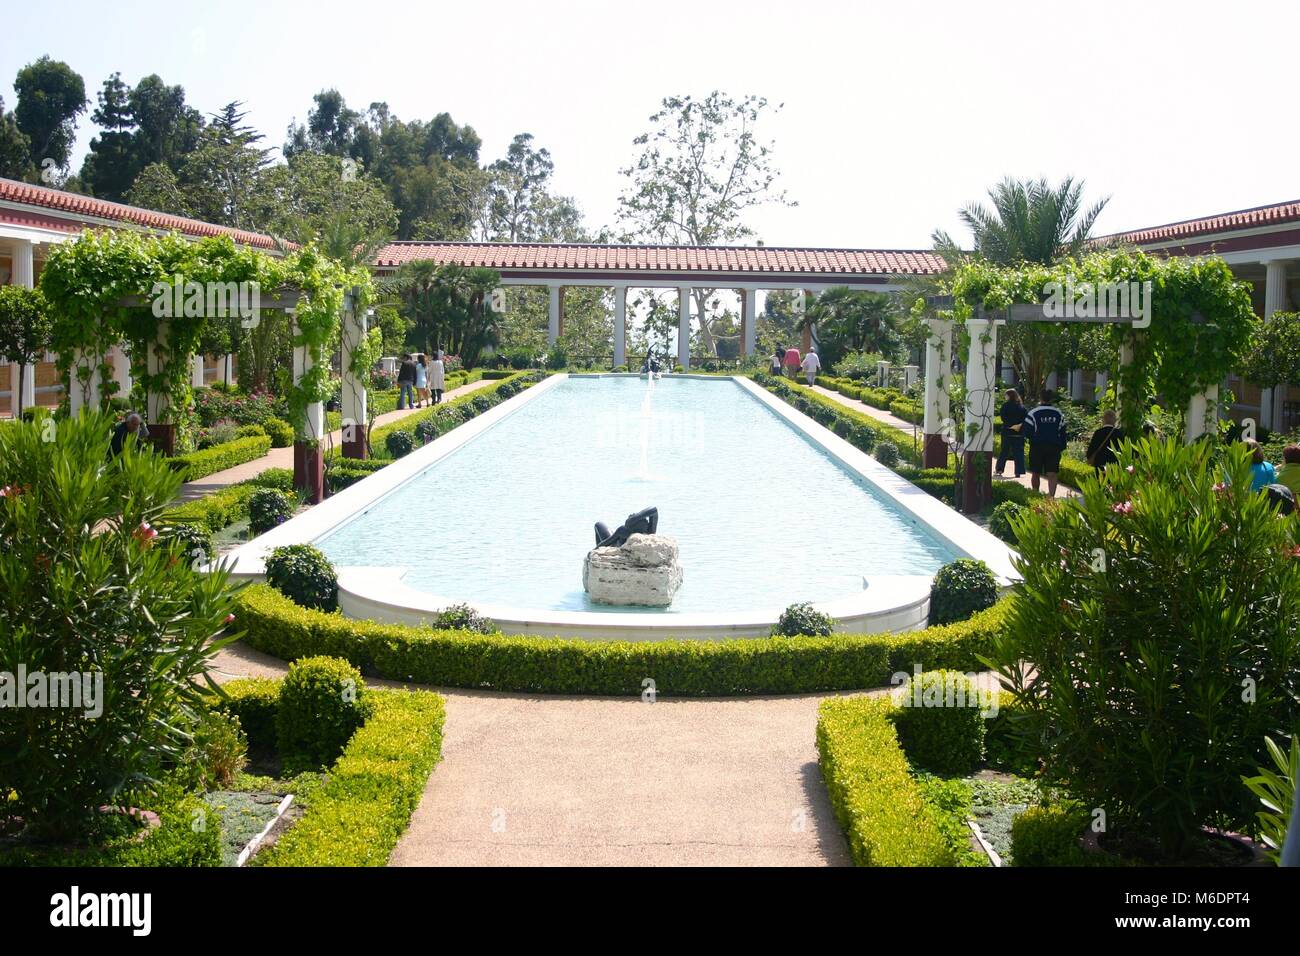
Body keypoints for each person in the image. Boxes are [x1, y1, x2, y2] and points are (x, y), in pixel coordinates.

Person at [1024, 389, 1069, 497]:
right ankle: (1051, 497)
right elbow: (1063, 431)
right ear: (1051, 399)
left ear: (1040, 398)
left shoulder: (1033, 413)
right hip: (1054, 446)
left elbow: (1027, 431)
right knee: (1052, 473)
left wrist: (1033, 439)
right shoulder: (1058, 413)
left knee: (1036, 472)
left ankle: (1035, 494)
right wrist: (1062, 446)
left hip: (1037, 446)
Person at [995, 388, 1027, 478]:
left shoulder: (1005, 406)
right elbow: (1025, 419)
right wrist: (1018, 426)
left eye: (1006, 395)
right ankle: (1019, 471)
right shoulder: (1021, 407)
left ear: (1009, 396)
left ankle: (999, 469)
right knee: (1019, 452)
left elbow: (1003, 418)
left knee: (1004, 451)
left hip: (1007, 432)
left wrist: (1010, 425)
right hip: (1018, 433)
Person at [1086, 409, 1123, 474]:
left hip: (1100, 464)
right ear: (1114, 420)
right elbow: (1123, 449)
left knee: (1100, 482)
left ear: (1104, 420)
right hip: (1114, 464)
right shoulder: (1118, 433)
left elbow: (1091, 449)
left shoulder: (1098, 433)